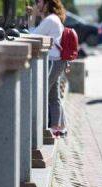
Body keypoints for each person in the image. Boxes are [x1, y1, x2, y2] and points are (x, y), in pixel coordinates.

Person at [27, 0, 67, 137]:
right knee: (53, 95)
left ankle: (45, 130)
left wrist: (32, 17)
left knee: (42, 93)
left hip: (52, 61)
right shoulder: (52, 19)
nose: (36, 4)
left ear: (47, 4)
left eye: (39, 1)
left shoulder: (50, 20)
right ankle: (58, 127)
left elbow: (32, 36)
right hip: (57, 60)